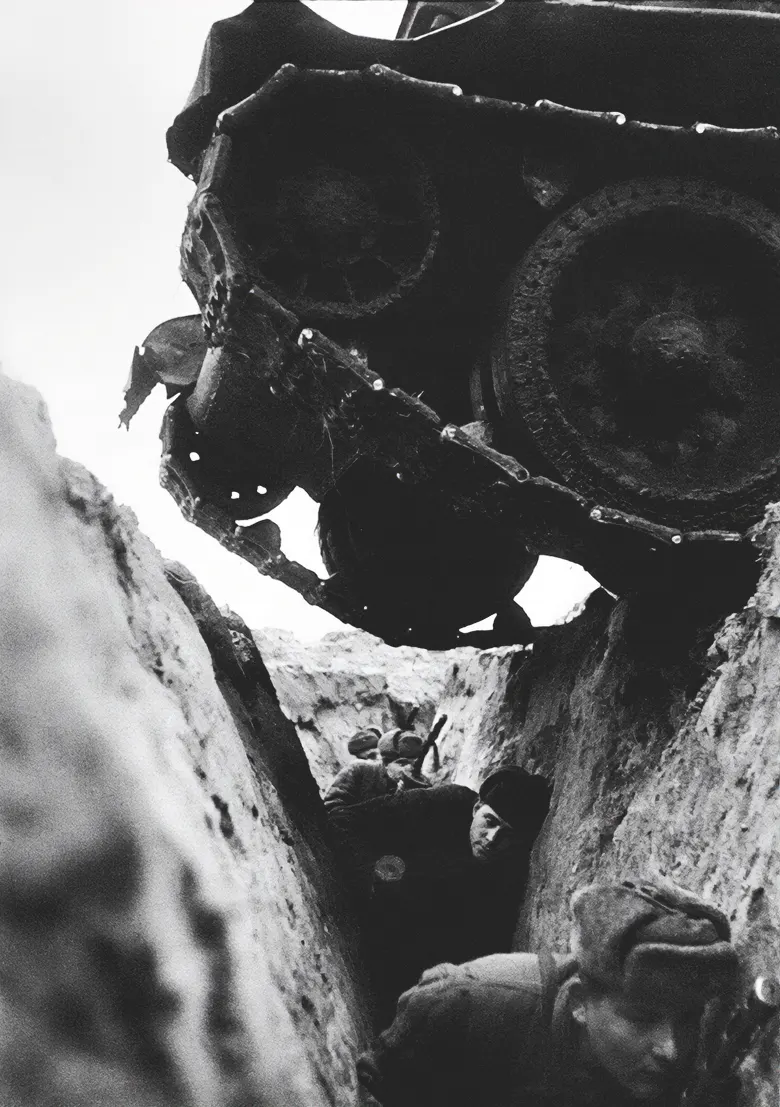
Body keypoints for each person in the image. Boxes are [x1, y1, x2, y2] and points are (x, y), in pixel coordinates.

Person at [357, 877, 741, 1107]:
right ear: (578, 1004)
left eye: (688, 1019)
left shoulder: (654, 1067)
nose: (672, 1050)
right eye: (642, 1019)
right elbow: (379, 1088)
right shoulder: (464, 1005)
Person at [330, 766, 551, 1023]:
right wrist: (381, 875)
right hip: (369, 901)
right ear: (476, 807)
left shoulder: (507, 875)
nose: (492, 839)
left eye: (508, 835)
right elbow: (343, 820)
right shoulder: (443, 805)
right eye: (489, 822)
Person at [323, 729, 428, 813]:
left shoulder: (420, 783)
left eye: (413, 764)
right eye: (402, 763)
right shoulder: (359, 769)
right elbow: (331, 807)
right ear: (386, 762)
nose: (408, 769)